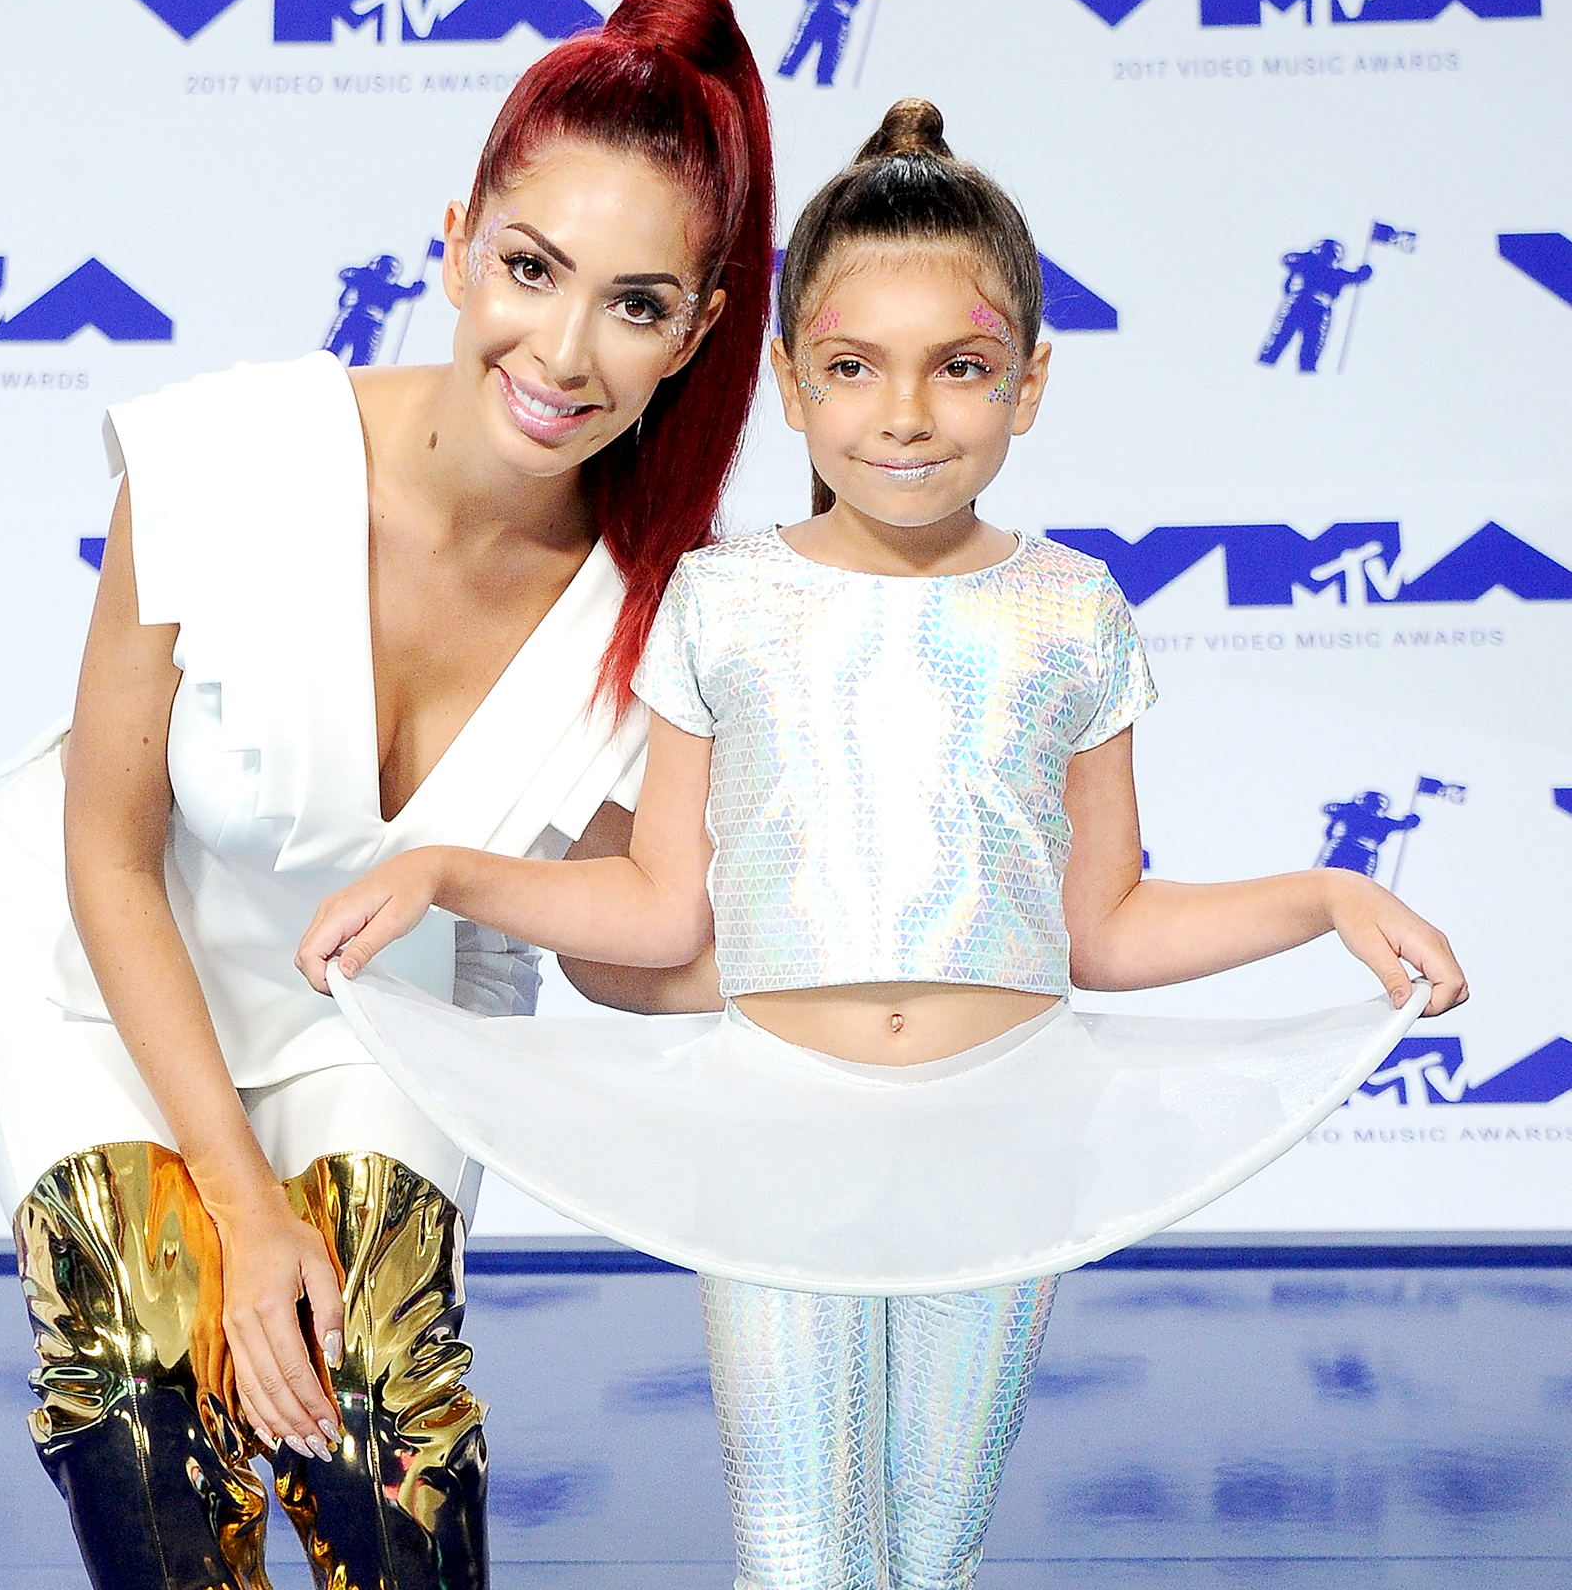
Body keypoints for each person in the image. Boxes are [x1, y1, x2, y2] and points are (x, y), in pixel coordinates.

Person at [299, 99, 1469, 1586]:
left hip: (1006, 1132)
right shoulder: (723, 603)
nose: (904, 414)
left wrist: (1326, 893)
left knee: (931, 1555)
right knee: (796, 1552)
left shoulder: (1072, 611)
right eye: (852, 367)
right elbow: (664, 912)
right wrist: (450, 871)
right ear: (789, 383)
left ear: (1031, 383)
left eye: (961, 368)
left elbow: (1102, 925)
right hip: (776, 1125)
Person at [0, 0, 773, 1590]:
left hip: (386, 1005)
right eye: (533, 270)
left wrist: (932, 977)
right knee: (144, 1395)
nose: (566, 349)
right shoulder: (225, 459)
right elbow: (107, 855)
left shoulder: (673, 605)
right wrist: (242, 1207)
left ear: (705, 327)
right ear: (458, 241)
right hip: (91, 961)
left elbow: (637, 943)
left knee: (379, 1423)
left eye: (638, 302)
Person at [779, 0, 892, 87]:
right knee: (800, 51)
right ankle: (786, 77)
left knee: (828, 58)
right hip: (820, 12)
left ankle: (821, 86)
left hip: (838, 19)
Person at [1258, 237, 1371, 373]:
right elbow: (1288, 259)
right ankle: (1263, 369)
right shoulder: (1309, 263)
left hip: (1316, 311)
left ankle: (1303, 378)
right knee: (1278, 345)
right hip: (1299, 305)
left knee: (1308, 353)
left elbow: (1357, 277)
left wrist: (1364, 272)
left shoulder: (1335, 273)